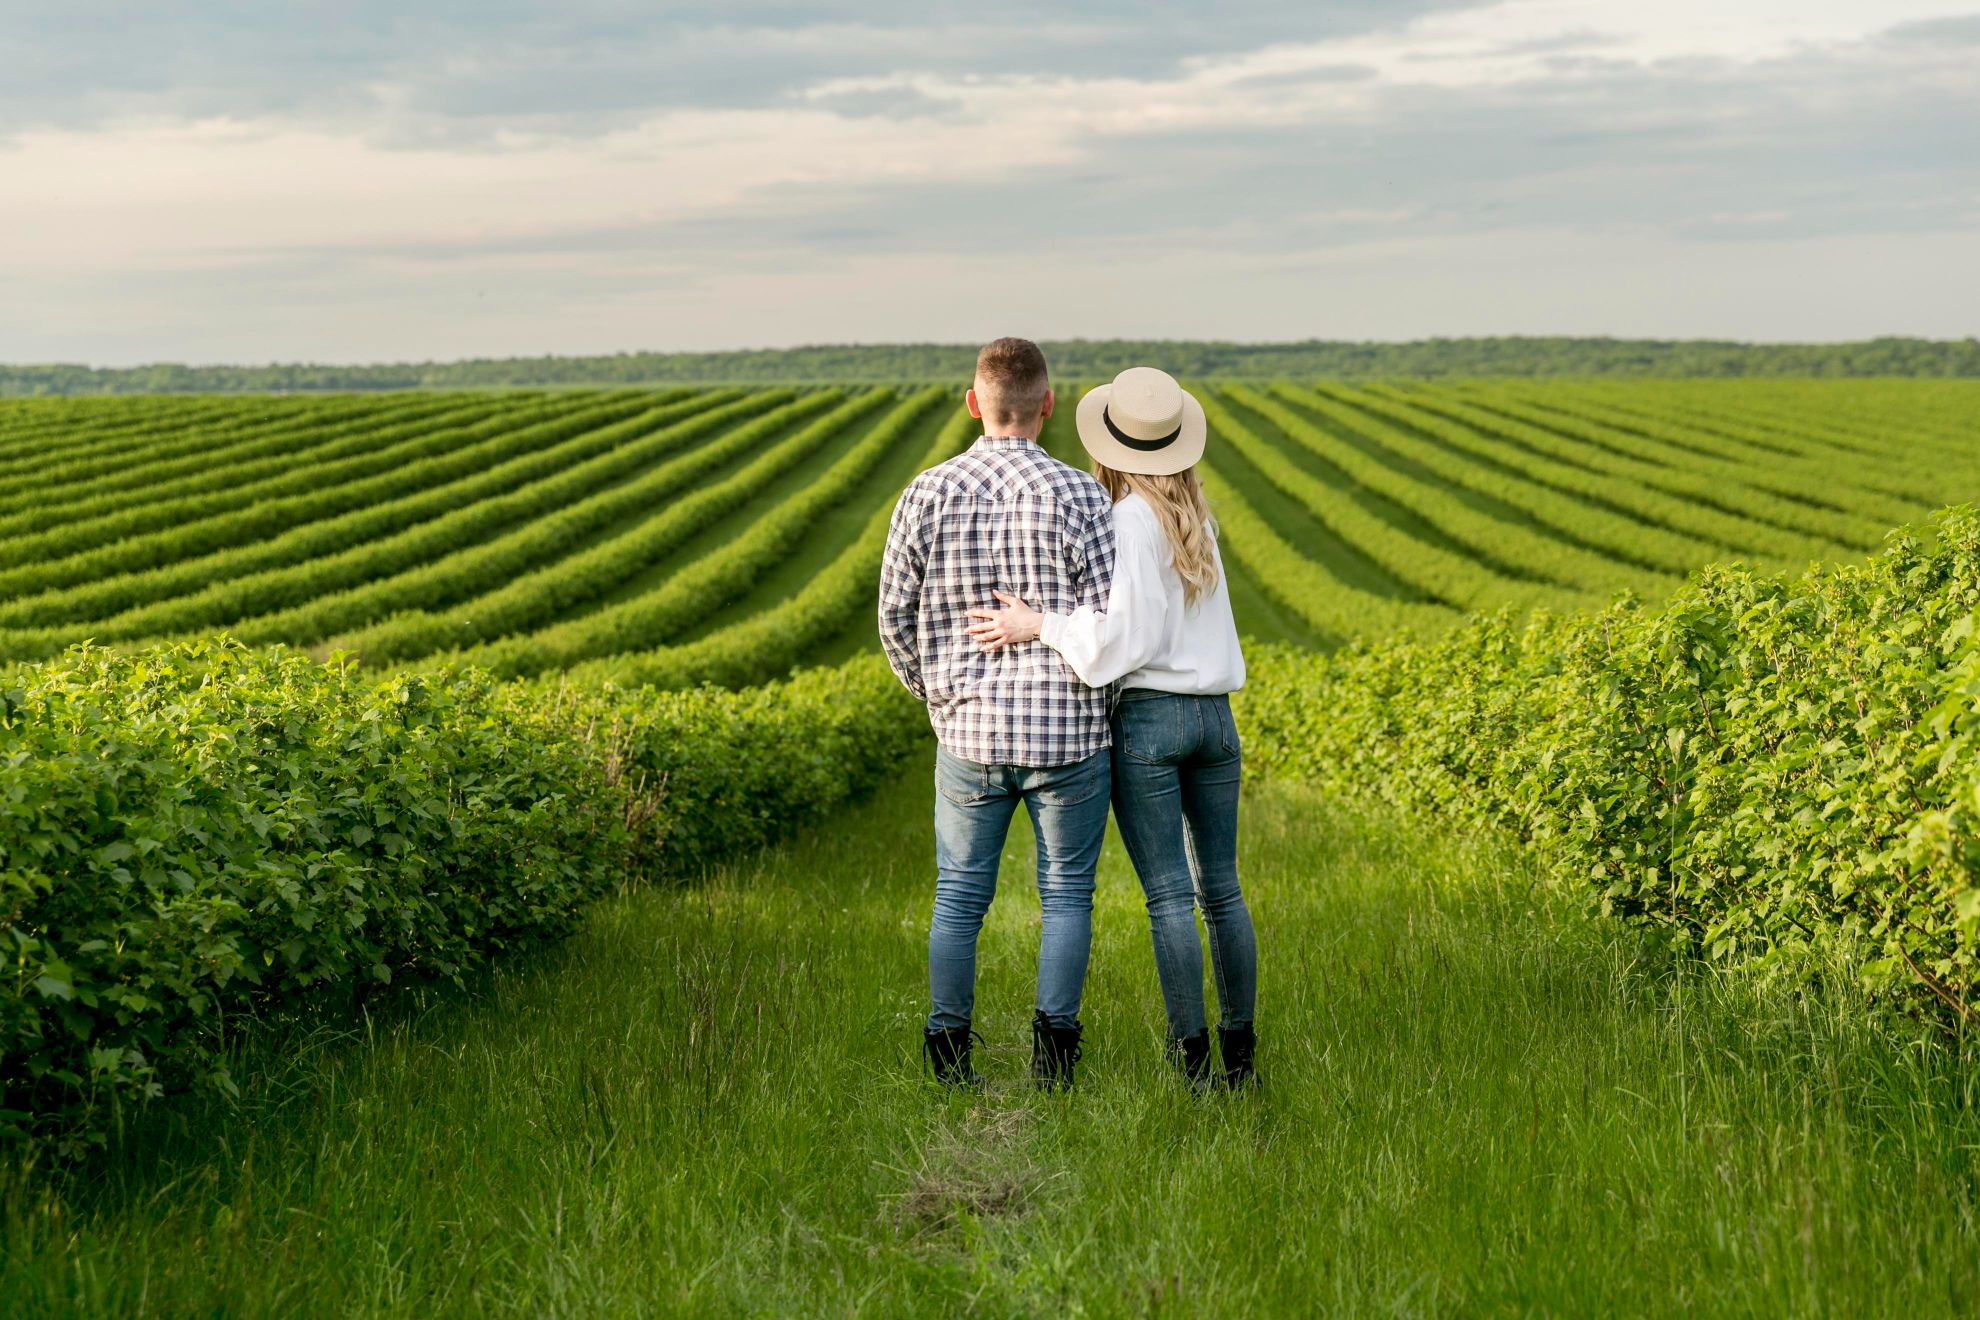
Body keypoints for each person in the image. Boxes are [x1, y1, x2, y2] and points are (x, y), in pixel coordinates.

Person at [966, 366, 1257, 1089]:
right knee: (1221, 890)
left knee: (1168, 897)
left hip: (1152, 721)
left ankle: (1191, 1063)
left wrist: (1039, 623)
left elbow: (1121, 643)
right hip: (1216, 719)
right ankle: (1241, 1056)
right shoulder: (1200, 519)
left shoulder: (1127, 519)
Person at [878, 337, 1117, 1090]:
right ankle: (1056, 1056)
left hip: (968, 733)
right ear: (1050, 403)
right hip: (1070, 733)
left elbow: (894, 617)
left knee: (958, 896)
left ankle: (948, 1052)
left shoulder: (928, 491)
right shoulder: (1082, 494)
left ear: (973, 401)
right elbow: (1112, 622)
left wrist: (939, 698)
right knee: (1068, 896)